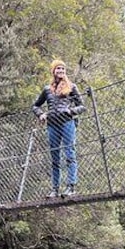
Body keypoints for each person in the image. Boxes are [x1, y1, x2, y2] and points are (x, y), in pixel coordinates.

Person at [32, 59, 86, 198]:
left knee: (69, 154)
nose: (61, 71)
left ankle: (71, 186)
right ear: (53, 71)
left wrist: (71, 111)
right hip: (52, 124)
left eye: (63, 69)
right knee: (55, 157)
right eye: (58, 69)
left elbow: (82, 106)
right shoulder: (47, 89)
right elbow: (36, 105)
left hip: (67, 122)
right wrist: (41, 114)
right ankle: (55, 189)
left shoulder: (72, 87)